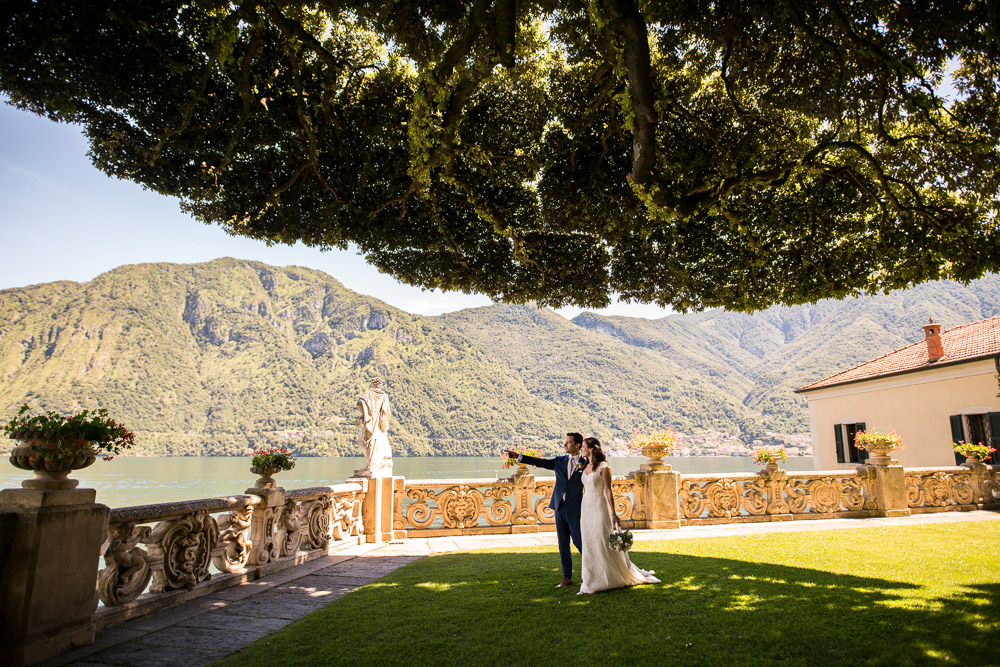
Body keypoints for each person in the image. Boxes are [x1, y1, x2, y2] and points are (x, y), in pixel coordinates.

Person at [577, 436, 660, 594]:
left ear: (591, 449)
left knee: (602, 540)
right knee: (589, 541)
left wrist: (613, 513)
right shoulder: (585, 465)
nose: (581, 449)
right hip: (585, 507)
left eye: (584, 447)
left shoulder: (604, 467)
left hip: (599, 506)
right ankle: (590, 578)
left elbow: (608, 490)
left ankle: (609, 576)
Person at [505, 432, 585, 588]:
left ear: (577, 445)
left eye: (568, 442)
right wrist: (519, 457)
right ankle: (567, 577)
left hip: (576, 509)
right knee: (563, 544)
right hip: (559, 507)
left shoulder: (586, 463)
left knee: (579, 542)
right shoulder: (559, 461)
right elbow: (540, 462)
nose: (565, 444)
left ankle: (592, 573)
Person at [354, 376, 393, 478]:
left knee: (365, 443)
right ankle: (371, 466)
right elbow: (386, 412)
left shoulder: (368, 394)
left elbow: (359, 403)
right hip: (378, 424)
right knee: (374, 444)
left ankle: (371, 466)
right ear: (380, 386)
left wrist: (364, 415)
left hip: (369, 423)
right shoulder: (384, 396)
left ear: (372, 384)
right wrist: (384, 424)